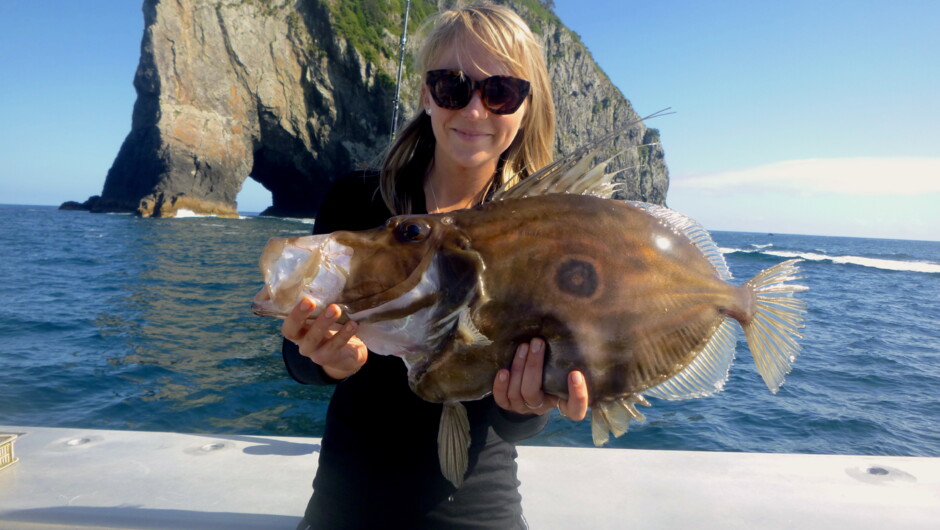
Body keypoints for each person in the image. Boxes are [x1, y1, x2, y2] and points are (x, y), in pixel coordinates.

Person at [281, 4, 589, 528]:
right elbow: (296, 358)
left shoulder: (542, 236)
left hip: (477, 508)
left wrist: (528, 403)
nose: (473, 111)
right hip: (346, 502)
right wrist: (323, 359)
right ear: (426, 94)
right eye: (451, 86)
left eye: (500, 92)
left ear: (525, 106)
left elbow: (515, 426)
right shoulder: (357, 204)